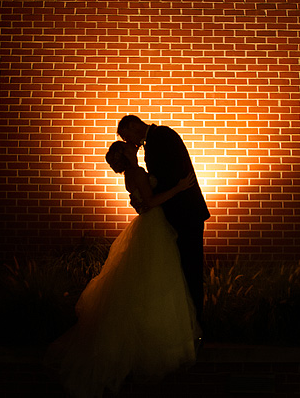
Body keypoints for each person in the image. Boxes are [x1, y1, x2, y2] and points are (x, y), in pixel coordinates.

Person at [45, 141, 201, 398]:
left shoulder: (133, 173)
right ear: (124, 155)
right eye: (128, 147)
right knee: (157, 281)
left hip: (148, 224)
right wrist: (178, 188)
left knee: (143, 283)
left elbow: (140, 202)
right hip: (153, 227)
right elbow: (150, 202)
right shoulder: (137, 173)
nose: (133, 147)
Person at [117, 115, 210, 327]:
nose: (129, 142)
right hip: (176, 214)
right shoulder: (155, 140)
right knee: (180, 271)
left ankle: (195, 324)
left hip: (185, 214)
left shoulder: (162, 137)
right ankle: (186, 323)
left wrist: (146, 196)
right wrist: (144, 196)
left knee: (190, 270)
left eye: (127, 136)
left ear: (133, 126)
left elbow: (171, 175)